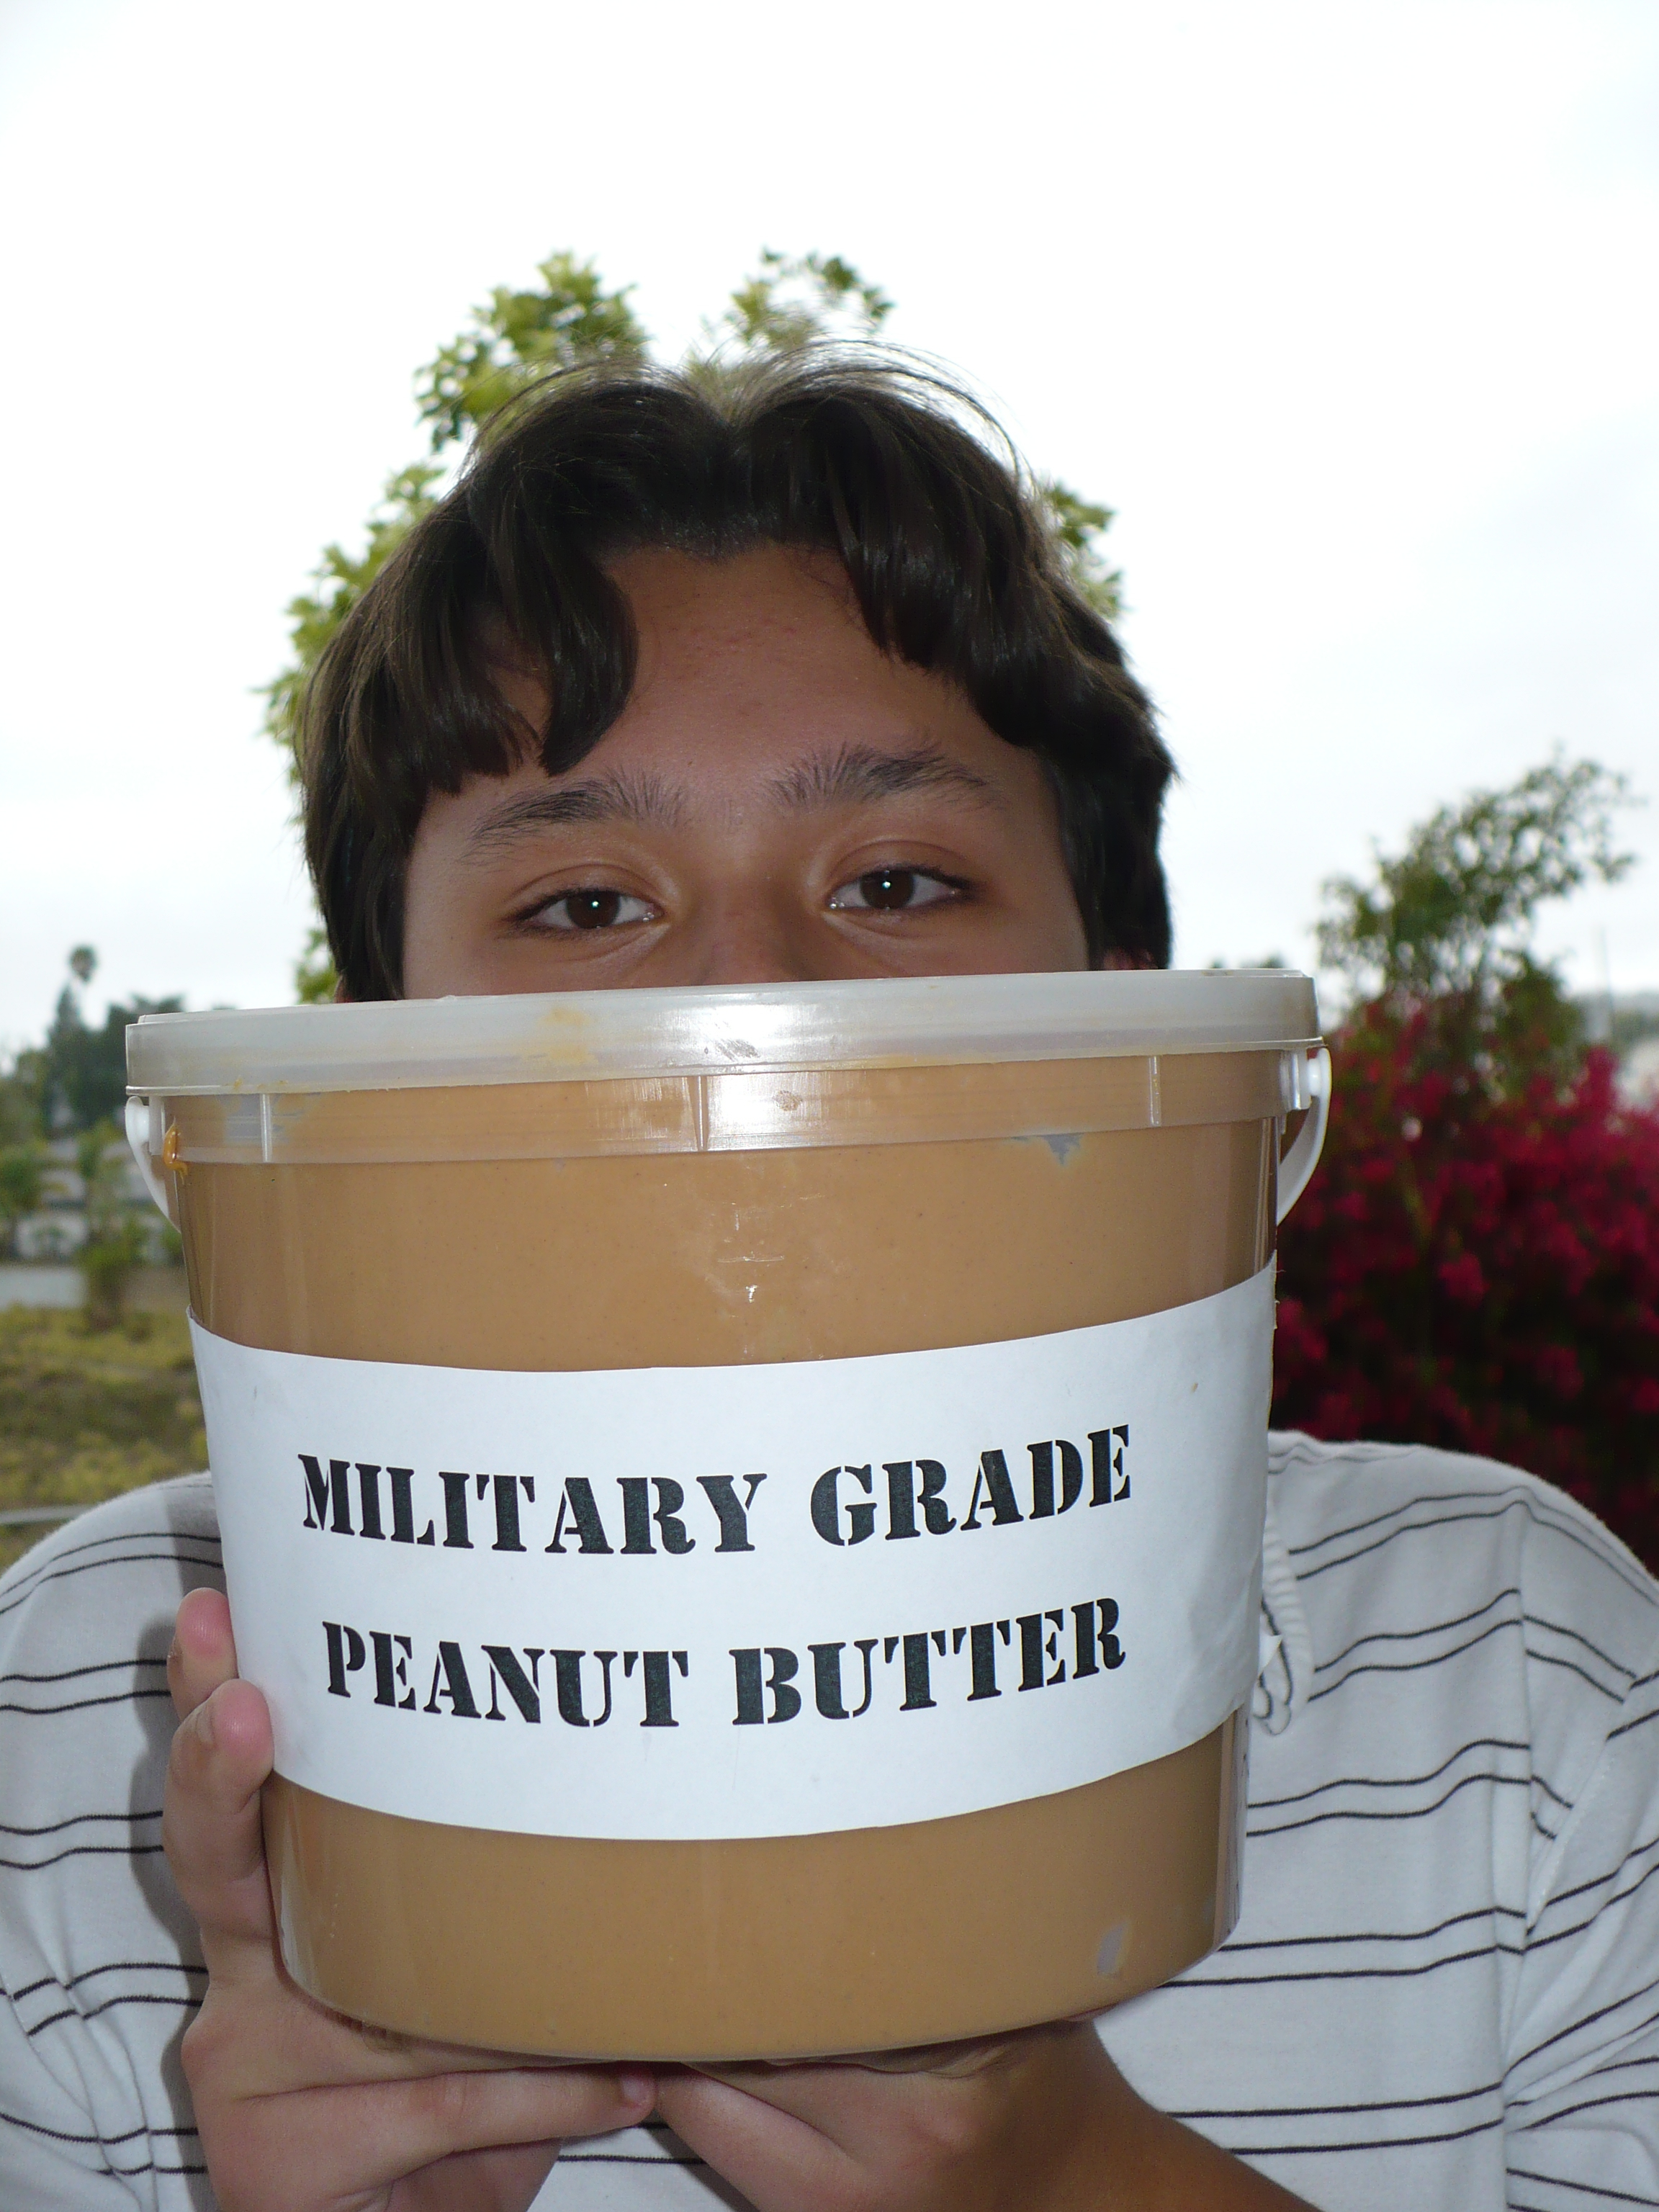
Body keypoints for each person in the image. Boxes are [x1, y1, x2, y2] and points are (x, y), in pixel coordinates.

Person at [2, 356, 1655, 2212]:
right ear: (376, 1052)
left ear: (1127, 1013)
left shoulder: (1519, 1692)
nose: (751, 998)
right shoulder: (77, 1722)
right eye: (579, 907)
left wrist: (1070, 2186)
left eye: (894, 880)